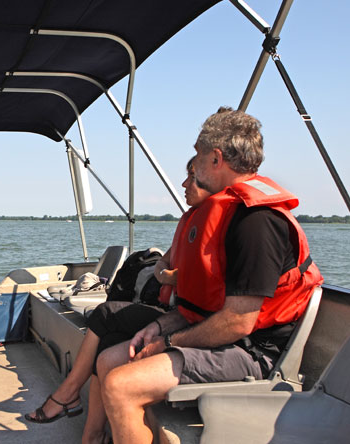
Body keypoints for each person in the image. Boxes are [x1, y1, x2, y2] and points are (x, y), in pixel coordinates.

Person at [97, 107, 323, 444]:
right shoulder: (227, 213)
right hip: (225, 338)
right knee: (109, 361)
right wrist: (159, 326)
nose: (195, 164)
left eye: (198, 155)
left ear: (216, 158)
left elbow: (237, 323)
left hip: (254, 353)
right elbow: (207, 307)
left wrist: (168, 343)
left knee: (121, 384)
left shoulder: (256, 223)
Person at [25, 158, 211, 444]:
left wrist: (171, 277)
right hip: (173, 310)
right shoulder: (194, 221)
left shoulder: (216, 222)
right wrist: (166, 274)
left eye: (192, 178)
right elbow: (165, 263)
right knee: (109, 341)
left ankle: (71, 397)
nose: (185, 184)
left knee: (105, 312)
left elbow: (203, 283)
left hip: (182, 317)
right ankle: (92, 431)